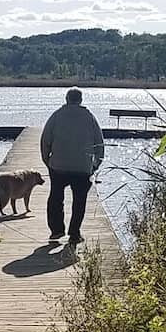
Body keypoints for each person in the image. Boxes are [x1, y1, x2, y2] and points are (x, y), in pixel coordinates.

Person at [40, 87, 104, 244]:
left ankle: (56, 230)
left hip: (58, 165)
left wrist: (46, 160)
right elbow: (99, 143)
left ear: (66, 99)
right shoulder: (90, 117)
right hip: (82, 167)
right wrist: (95, 164)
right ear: (80, 100)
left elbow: (45, 140)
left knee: (55, 197)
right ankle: (74, 234)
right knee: (79, 201)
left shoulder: (56, 116)